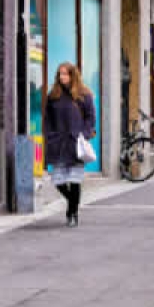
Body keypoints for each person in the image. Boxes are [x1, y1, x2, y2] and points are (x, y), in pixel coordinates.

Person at [44, 62, 96, 227]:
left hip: (75, 143)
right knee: (58, 181)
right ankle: (72, 204)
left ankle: (72, 214)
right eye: (60, 74)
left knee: (74, 181)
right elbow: (48, 120)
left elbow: (90, 118)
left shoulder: (84, 95)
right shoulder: (53, 96)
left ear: (73, 75)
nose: (62, 77)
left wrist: (84, 134)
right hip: (58, 143)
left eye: (65, 74)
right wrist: (49, 136)